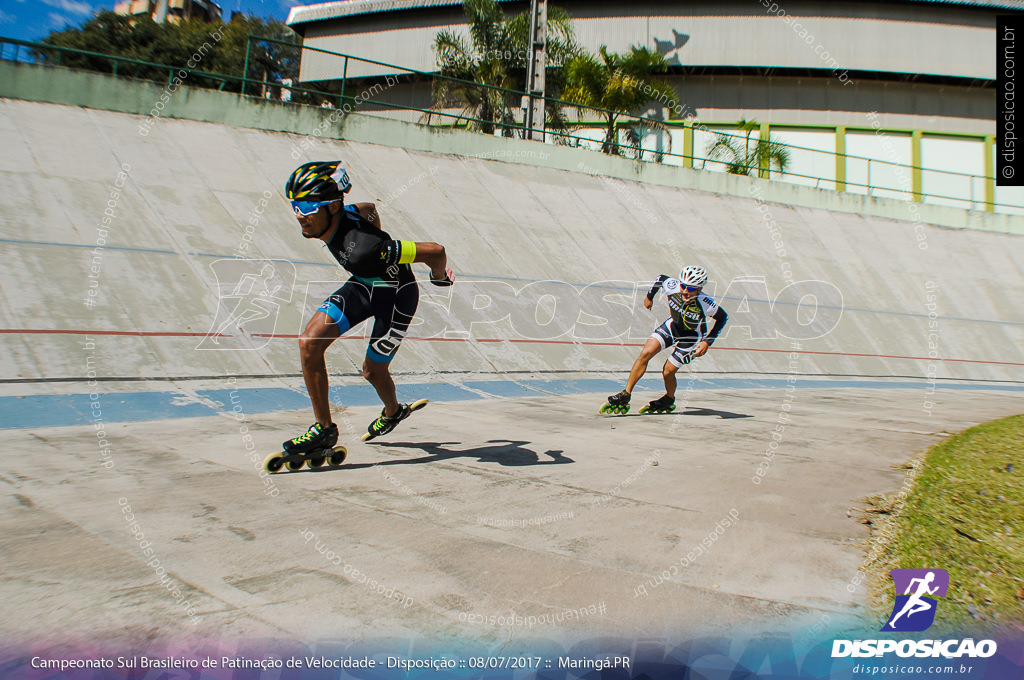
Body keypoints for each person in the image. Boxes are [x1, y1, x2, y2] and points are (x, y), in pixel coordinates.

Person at [281, 161, 454, 454]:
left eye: (309, 209)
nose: (301, 216)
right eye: (296, 206)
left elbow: (436, 251)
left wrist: (438, 277)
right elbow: (369, 208)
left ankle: (392, 412)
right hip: (364, 285)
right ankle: (324, 430)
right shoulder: (349, 213)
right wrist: (374, 231)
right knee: (309, 343)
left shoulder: (366, 251)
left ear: (332, 207)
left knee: (373, 371)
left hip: (398, 297)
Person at [604, 266, 728, 414]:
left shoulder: (706, 303)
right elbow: (661, 278)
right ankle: (626, 394)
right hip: (673, 326)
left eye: (691, 289)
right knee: (645, 353)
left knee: (668, 371)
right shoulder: (673, 287)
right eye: (683, 286)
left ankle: (669, 398)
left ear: (700, 289)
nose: (685, 292)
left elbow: (723, 318)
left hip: (692, 337)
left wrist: (707, 342)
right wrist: (650, 297)